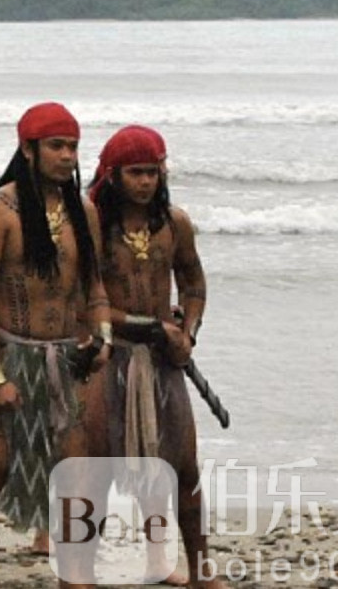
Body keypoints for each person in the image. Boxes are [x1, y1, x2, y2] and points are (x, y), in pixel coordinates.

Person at [0, 102, 111, 589]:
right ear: (28, 148)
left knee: (76, 477)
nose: (67, 156)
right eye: (56, 146)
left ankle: (75, 578)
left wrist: (102, 337)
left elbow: (95, 287)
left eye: (73, 147)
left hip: (67, 361)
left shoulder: (84, 211)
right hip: (10, 356)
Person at [85, 125, 224, 588]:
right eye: (135, 173)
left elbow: (194, 283)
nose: (145, 182)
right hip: (110, 359)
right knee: (96, 472)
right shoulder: (93, 226)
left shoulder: (174, 223)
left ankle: (196, 570)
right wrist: (149, 327)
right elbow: (86, 300)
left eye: (152, 172)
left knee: (182, 469)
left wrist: (188, 332)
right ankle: (82, 572)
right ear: (113, 175)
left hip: (164, 363)